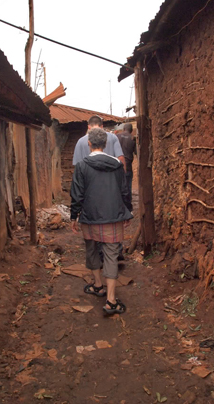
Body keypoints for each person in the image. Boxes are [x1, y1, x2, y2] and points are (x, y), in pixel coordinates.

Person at [70, 128, 133, 315]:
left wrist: (74, 216)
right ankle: (111, 300)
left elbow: (77, 193)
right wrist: (127, 211)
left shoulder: (82, 166)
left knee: (91, 249)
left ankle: (98, 285)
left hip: (90, 216)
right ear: (105, 144)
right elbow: (124, 191)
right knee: (112, 254)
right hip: (113, 217)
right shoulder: (117, 165)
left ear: (89, 143)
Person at [116, 123, 136, 211]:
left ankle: (118, 205)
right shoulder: (132, 138)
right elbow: (136, 153)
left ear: (124, 128)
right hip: (127, 166)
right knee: (128, 187)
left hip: (117, 166)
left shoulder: (117, 136)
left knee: (118, 186)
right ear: (131, 130)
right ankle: (128, 208)